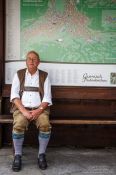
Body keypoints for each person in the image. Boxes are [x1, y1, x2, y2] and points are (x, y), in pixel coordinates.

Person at [10, 50, 52, 172]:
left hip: (40, 110)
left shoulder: (45, 75)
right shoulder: (19, 74)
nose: (31, 61)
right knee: (18, 125)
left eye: (34, 59)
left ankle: (41, 155)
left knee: (45, 125)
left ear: (38, 62)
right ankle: (17, 156)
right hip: (22, 109)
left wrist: (38, 111)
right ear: (26, 61)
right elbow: (14, 96)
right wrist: (24, 111)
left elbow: (47, 98)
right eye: (29, 58)